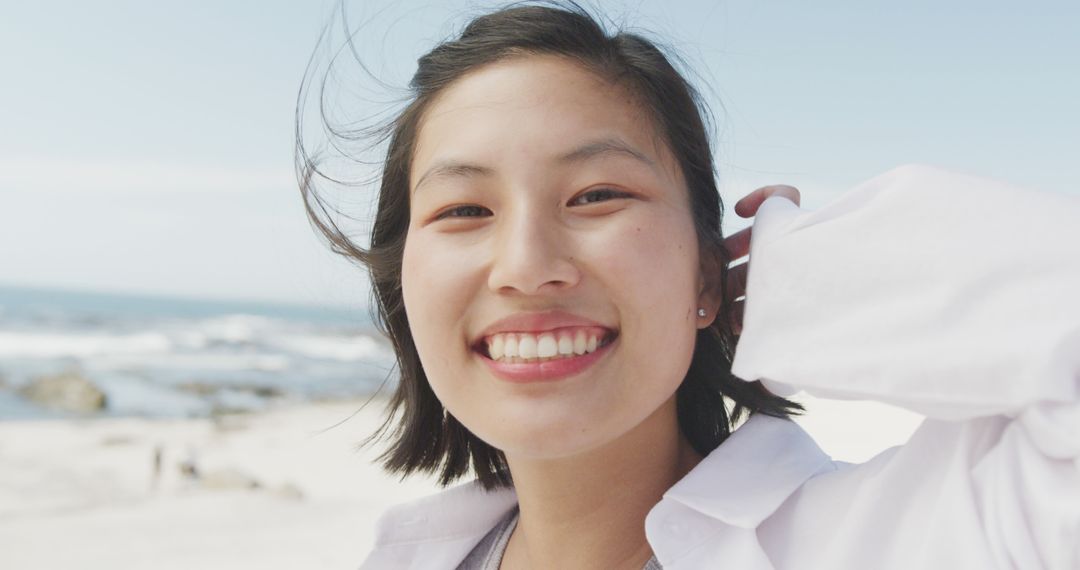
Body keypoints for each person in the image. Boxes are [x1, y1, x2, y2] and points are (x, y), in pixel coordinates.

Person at [297, 3, 1080, 569]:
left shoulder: (883, 543)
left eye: (597, 195)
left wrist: (802, 282)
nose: (528, 266)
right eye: (465, 209)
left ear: (708, 272)